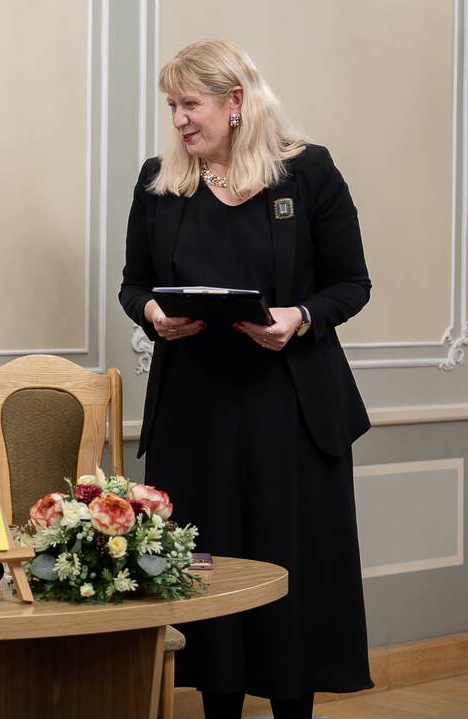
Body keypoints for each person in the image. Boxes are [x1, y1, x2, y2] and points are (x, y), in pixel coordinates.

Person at [119, 39, 373, 719]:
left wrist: (299, 316)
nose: (178, 119)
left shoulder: (307, 172)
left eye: (190, 104)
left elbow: (352, 283)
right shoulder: (159, 181)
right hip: (193, 414)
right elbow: (134, 284)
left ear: (235, 101)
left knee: (291, 572)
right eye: (171, 106)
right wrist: (152, 314)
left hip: (290, 411)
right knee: (206, 568)